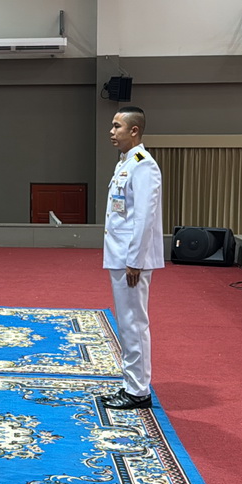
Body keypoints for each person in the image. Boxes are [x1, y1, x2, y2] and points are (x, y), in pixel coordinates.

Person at [102, 105, 164, 410]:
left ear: (134, 130)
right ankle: (131, 383)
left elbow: (144, 217)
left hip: (131, 260)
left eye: (117, 127)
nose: (112, 132)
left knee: (133, 322)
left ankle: (137, 391)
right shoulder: (126, 162)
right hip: (121, 255)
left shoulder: (143, 165)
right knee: (126, 322)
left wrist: (136, 260)